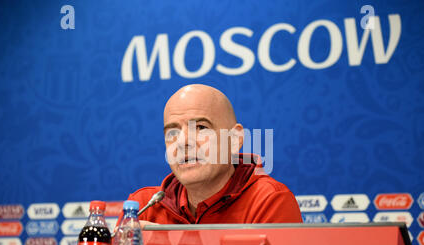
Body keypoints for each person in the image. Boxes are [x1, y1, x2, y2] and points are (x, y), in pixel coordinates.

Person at [126, 84, 302, 226]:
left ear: (234, 140)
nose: (182, 142)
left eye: (201, 128)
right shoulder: (143, 206)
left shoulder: (269, 201)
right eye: (172, 132)